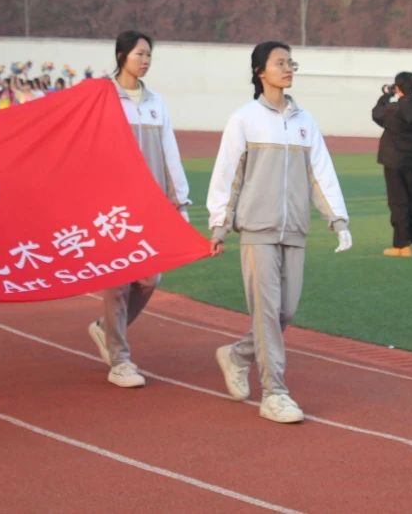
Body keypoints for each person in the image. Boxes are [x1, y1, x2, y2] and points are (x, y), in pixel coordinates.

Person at [207, 41, 350, 424]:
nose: (288, 68)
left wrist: (337, 219)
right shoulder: (245, 119)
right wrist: (220, 223)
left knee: (285, 311)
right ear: (260, 71)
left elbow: (320, 172)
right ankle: (275, 393)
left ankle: (237, 354)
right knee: (267, 312)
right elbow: (228, 175)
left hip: (295, 229)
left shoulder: (305, 121)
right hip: (257, 229)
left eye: (291, 62)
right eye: (280, 62)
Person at [86, 31, 191, 389]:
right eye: (139, 54)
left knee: (149, 278)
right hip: (112, 207)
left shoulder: (156, 103)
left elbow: (169, 152)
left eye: (149, 55)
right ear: (121, 55)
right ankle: (120, 359)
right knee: (116, 284)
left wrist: (181, 200)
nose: (145, 60)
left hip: (150, 205)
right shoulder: (101, 97)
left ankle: (105, 329)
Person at [374, 72, 412, 257]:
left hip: (394, 159)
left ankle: (402, 244)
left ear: (398, 87)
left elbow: (376, 114)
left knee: (398, 202)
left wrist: (386, 95)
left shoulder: (392, 109)